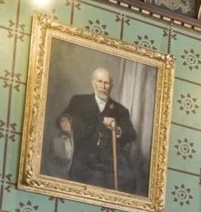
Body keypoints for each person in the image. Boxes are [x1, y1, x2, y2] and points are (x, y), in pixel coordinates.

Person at [53, 65, 145, 196]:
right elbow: (67, 115)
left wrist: (117, 129)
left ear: (111, 86)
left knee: (129, 179)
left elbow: (131, 134)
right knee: (80, 179)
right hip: (84, 153)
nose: (103, 86)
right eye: (100, 81)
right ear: (93, 83)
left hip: (111, 157)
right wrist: (65, 121)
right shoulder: (79, 101)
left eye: (106, 83)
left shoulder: (121, 110)